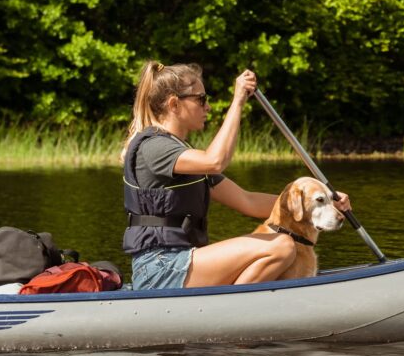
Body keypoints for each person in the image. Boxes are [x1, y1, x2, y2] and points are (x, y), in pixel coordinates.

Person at [121, 61, 350, 290]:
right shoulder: (154, 147)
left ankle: (237, 301)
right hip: (159, 268)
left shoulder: (183, 155)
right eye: (201, 99)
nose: (208, 107)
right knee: (282, 246)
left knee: (282, 246)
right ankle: (231, 307)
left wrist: (318, 201)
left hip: (182, 262)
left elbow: (247, 201)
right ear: (174, 104)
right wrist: (238, 101)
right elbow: (215, 161)